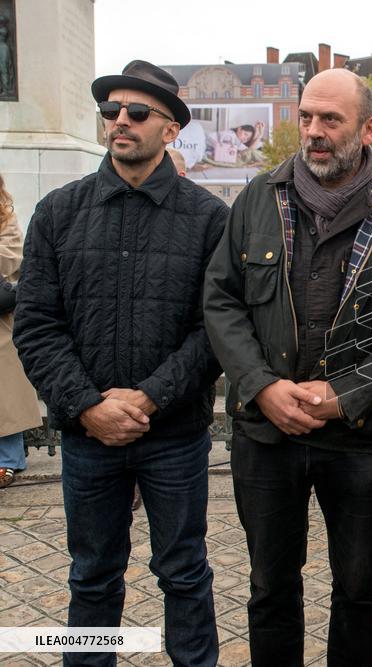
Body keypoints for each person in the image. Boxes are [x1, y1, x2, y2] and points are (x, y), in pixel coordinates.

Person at [202, 68, 372, 667]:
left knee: (359, 588)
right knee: (269, 586)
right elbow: (221, 299)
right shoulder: (258, 198)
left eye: (329, 120)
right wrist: (260, 387)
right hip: (268, 432)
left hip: (361, 438)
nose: (313, 131)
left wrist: (347, 394)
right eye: (306, 117)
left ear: (367, 128)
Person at [14, 60, 227, 666]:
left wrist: (150, 397)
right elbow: (36, 323)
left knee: (184, 574)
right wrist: (87, 406)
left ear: (170, 130)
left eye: (137, 113)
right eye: (111, 112)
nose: (120, 123)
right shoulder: (58, 212)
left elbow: (214, 329)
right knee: (92, 577)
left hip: (175, 435)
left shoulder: (209, 218)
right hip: (88, 438)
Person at [0, 176, 42, 489]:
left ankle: (7, 459)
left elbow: (11, 257)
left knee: (4, 392)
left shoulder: (6, 218)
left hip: (0, 322)